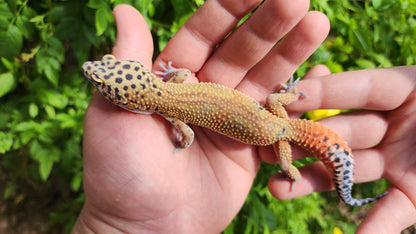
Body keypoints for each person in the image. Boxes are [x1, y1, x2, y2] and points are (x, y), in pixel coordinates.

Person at [72, 1, 416, 233]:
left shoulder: (168, 112)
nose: (93, 73)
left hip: (278, 131)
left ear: (129, 98)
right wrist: (291, 95)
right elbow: (179, 80)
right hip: (275, 114)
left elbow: (189, 137)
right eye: (103, 78)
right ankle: (334, 170)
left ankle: (332, 180)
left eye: (101, 80)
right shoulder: (172, 91)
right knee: (275, 103)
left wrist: (289, 168)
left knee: (286, 163)